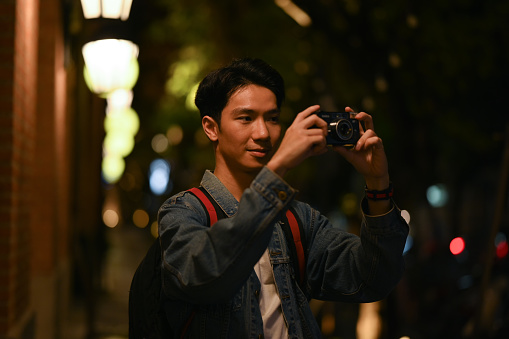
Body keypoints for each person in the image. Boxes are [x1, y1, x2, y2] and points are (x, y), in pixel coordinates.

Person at [157, 58, 409, 338]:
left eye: (273, 118)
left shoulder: (297, 219)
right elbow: (207, 277)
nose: (263, 133)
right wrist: (278, 168)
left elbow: (373, 279)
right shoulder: (184, 211)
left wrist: (377, 185)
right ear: (211, 127)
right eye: (246, 118)